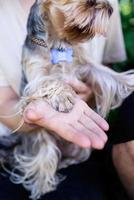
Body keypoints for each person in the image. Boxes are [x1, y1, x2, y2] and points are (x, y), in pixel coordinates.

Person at [0, 0, 132, 200]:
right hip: (27, 144)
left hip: (81, 145)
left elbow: (99, 67)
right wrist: (39, 113)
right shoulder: (18, 25)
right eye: (88, 3)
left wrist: (95, 92)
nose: (103, 8)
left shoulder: (99, 8)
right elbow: (7, 102)